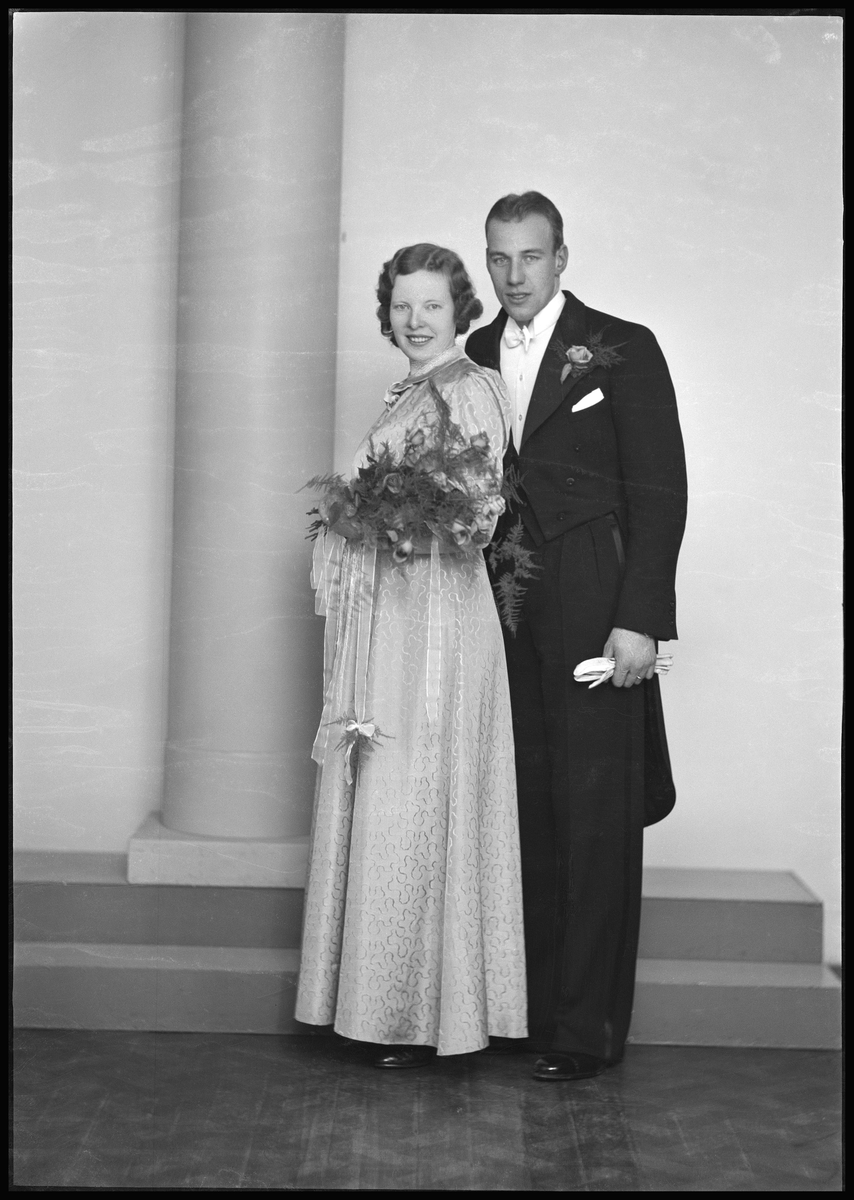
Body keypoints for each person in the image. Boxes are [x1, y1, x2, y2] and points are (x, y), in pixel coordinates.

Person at [466, 192, 687, 1082]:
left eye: (531, 256)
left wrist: (641, 620)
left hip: (597, 594)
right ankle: (521, 1012)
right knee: (517, 804)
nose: (514, 275)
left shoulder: (623, 345)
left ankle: (583, 1032)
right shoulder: (474, 352)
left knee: (593, 811)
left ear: (562, 258)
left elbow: (662, 492)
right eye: (499, 258)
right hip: (497, 600)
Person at [295, 243, 528, 1068]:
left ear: (461, 309)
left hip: (436, 629)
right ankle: (380, 1006)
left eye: (432, 304)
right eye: (402, 305)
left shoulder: (470, 388)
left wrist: (372, 525)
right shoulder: (409, 393)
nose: (415, 319)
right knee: (389, 793)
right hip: (394, 623)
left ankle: (419, 1016)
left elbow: (475, 519)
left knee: (417, 796)